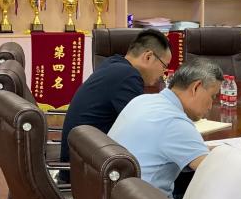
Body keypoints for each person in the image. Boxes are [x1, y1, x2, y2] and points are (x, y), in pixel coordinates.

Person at [108, 59, 222, 199]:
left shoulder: (142, 100)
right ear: (196, 87)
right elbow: (215, 172)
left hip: (115, 197)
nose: (210, 106)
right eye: (212, 96)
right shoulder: (175, 122)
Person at [58, 29, 171, 167]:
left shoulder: (113, 64)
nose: (163, 74)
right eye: (164, 66)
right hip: (89, 170)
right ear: (148, 57)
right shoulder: (127, 76)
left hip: (83, 162)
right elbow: (144, 127)